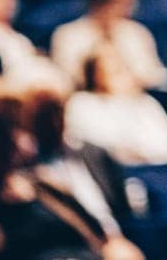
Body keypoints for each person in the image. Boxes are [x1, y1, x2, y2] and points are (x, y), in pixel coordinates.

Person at [0, 78, 140, 260]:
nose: (18, 139)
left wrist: (117, 250)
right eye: (0, 132)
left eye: (18, 126)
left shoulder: (47, 189)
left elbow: (108, 241)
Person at [21, 79, 132, 238]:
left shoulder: (94, 152)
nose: (54, 122)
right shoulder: (28, 169)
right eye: (44, 116)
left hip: (120, 239)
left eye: (58, 111)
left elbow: (123, 209)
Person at [63, 49, 167, 166]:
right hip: (120, 175)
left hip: (163, 172)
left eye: (125, 68)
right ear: (95, 77)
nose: (126, 76)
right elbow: (103, 149)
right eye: (116, 71)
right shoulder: (83, 104)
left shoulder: (147, 103)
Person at [49, 0, 166, 91]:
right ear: (97, 4)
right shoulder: (68, 35)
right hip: (86, 99)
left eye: (129, 4)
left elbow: (154, 74)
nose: (128, 11)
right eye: (120, 4)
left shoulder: (137, 33)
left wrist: (128, 81)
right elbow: (67, 77)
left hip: (133, 99)